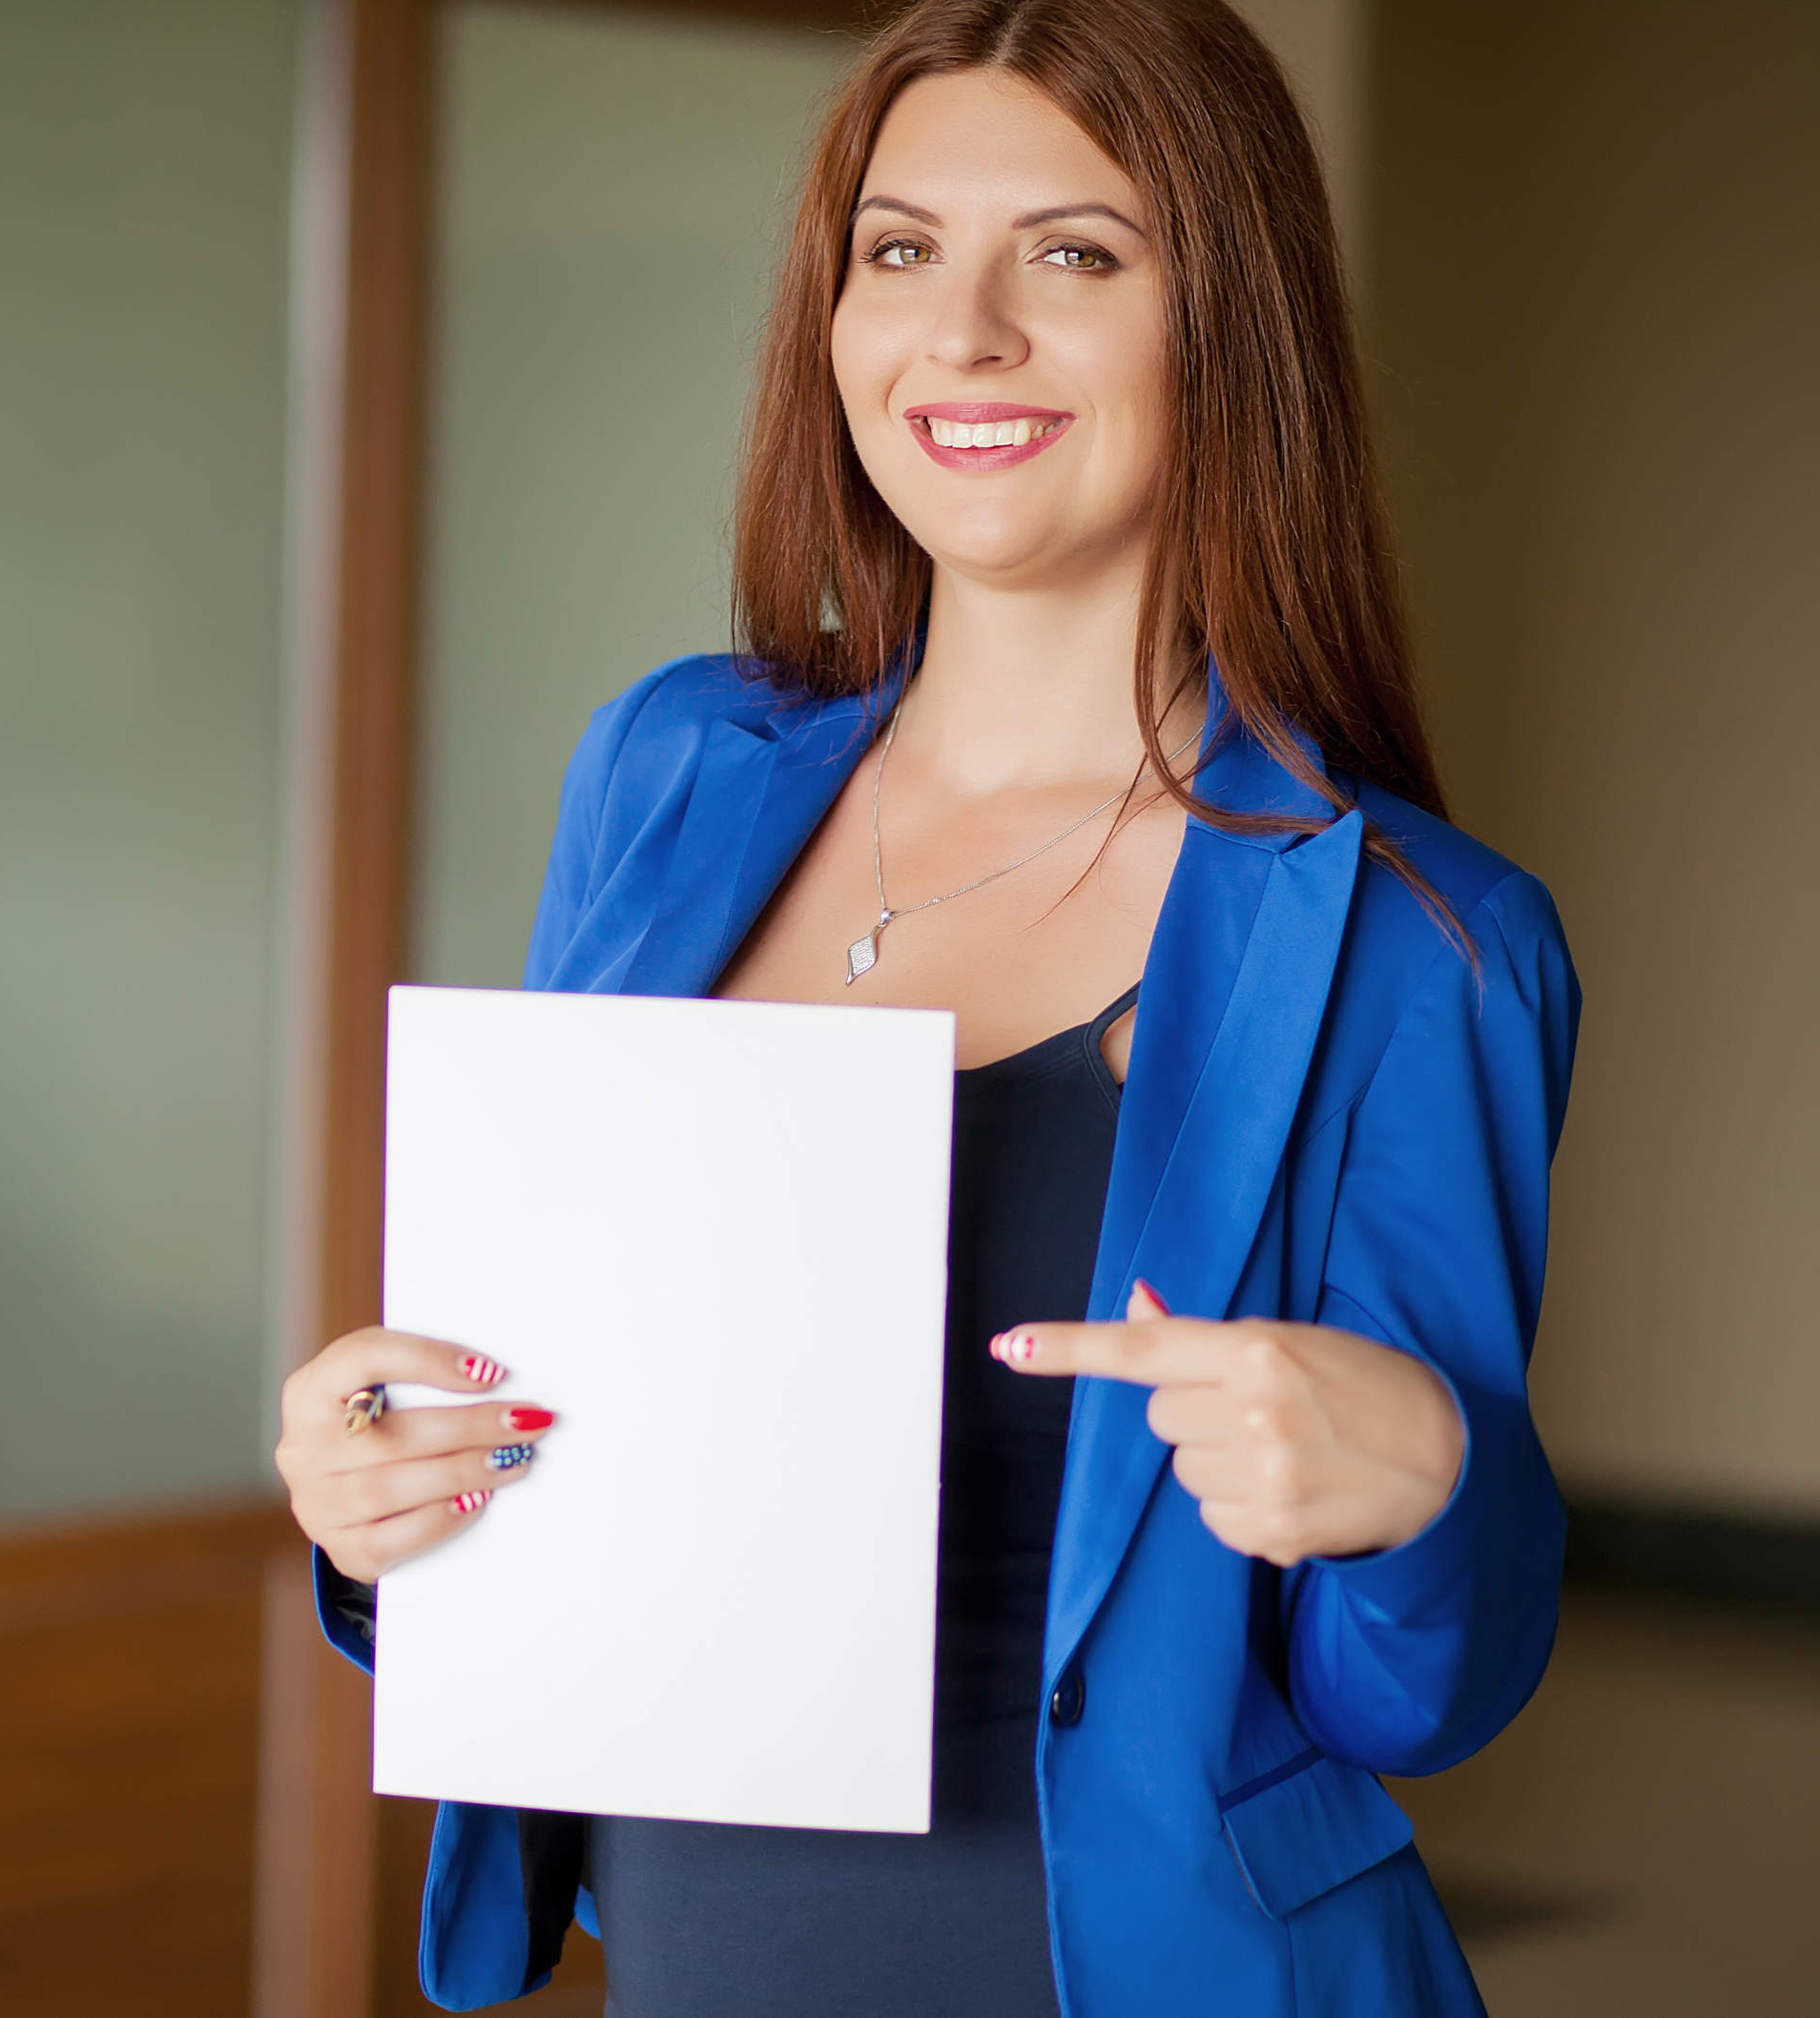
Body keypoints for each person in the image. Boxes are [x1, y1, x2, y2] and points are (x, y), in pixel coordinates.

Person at [277, 1, 1579, 2011]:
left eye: (1072, 253)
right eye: (898, 251)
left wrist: (1420, 1475)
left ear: (1225, 322)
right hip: (704, 1958)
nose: (959, 332)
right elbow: (561, 1415)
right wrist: (387, 1500)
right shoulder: (671, 769)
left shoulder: (1423, 937)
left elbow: (1420, 1689)